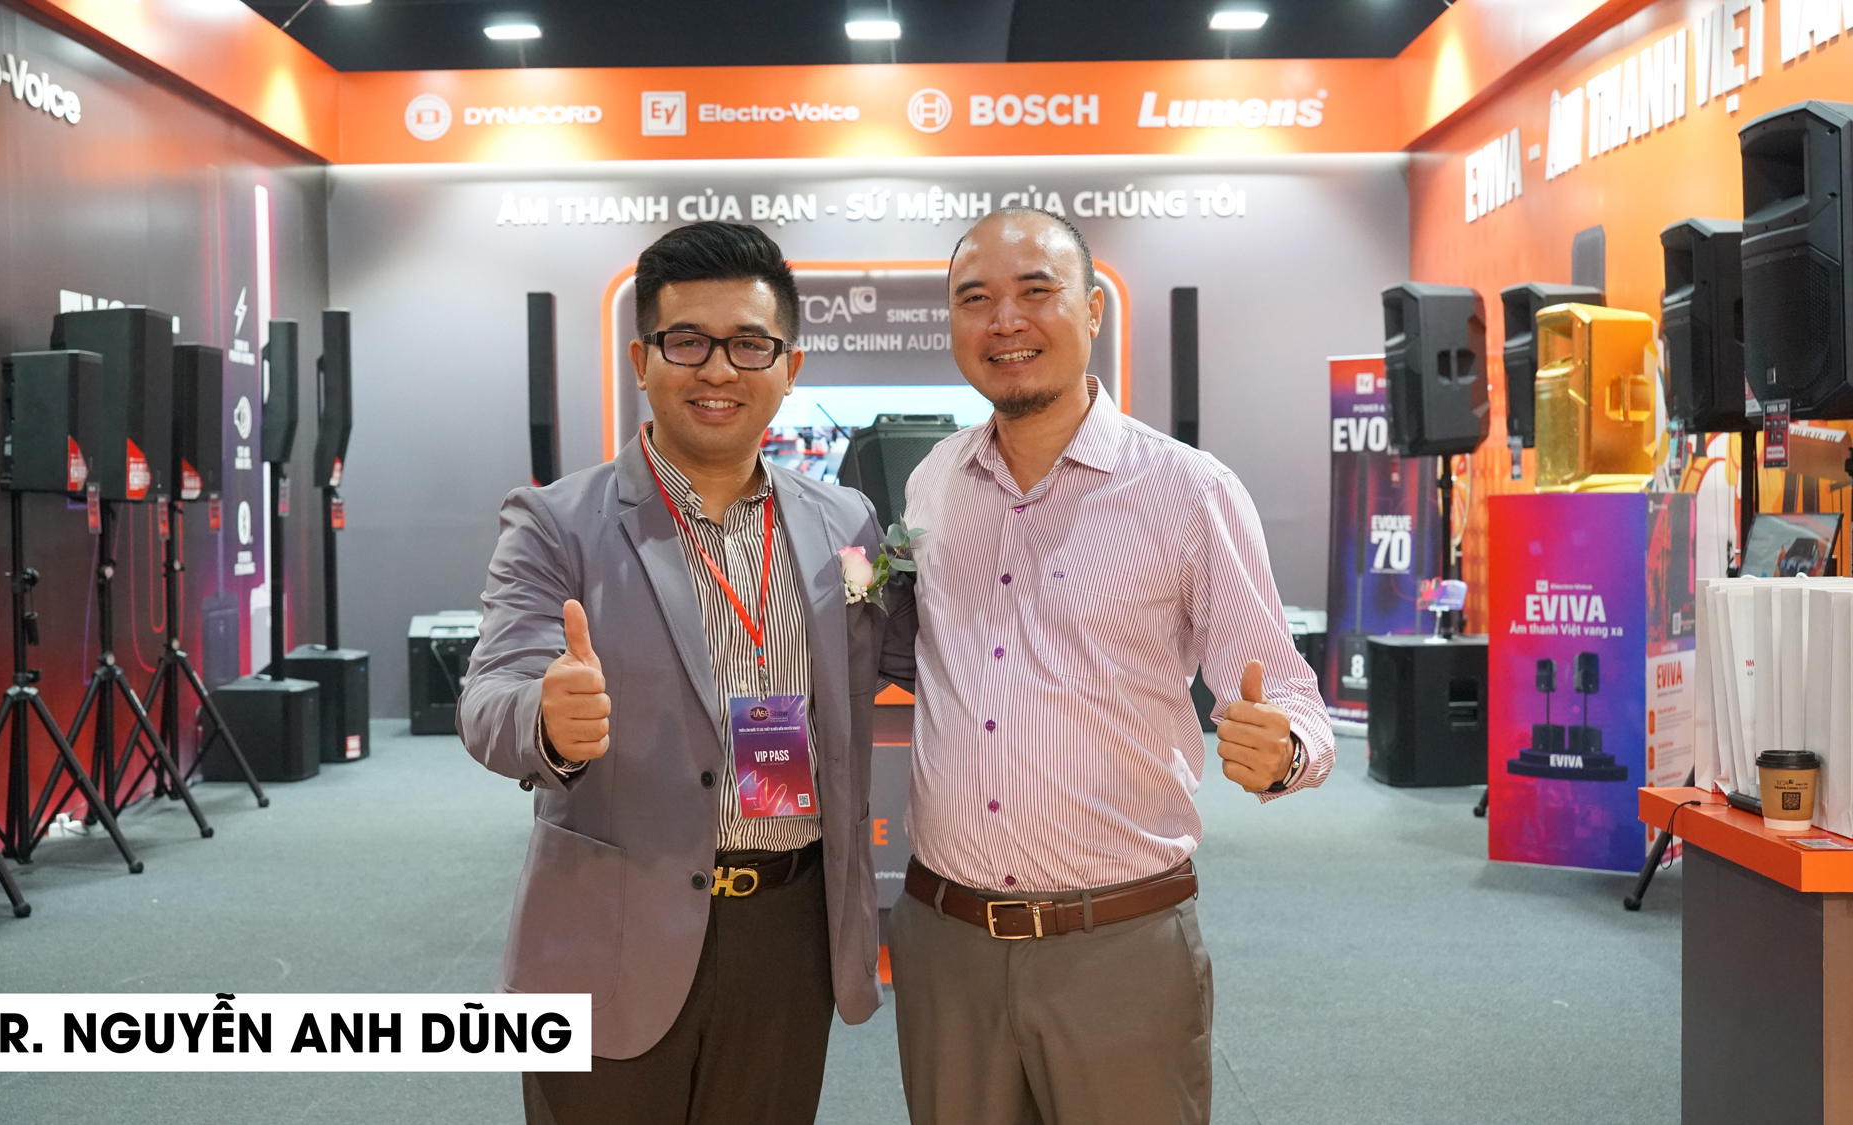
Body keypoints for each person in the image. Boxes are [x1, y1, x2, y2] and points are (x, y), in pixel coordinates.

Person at [457, 220, 913, 1125]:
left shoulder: (848, 524)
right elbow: (491, 695)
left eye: (750, 344)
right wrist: (546, 719)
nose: (719, 369)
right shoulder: (558, 523)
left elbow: (903, 647)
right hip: (611, 931)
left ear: (790, 365)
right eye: (688, 341)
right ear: (642, 358)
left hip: (789, 929)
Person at [886, 207, 1334, 1125]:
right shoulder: (933, 481)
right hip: (945, 943)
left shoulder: (1187, 490)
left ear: (1092, 310)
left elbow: (1288, 691)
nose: (1005, 321)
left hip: (1118, 943)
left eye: (1036, 291)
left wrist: (1285, 748)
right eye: (975, 299)